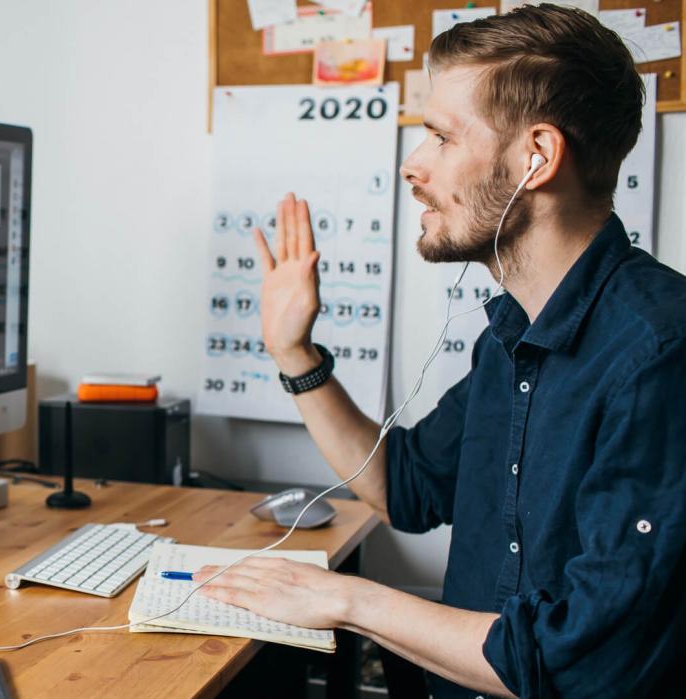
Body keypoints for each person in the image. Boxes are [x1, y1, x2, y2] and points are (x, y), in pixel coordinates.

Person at [194, 7, 686, 698]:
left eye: (440, 137)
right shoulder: (511, 334)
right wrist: (294, 351)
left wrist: (347, 600)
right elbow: (407, 487)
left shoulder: (659, 353)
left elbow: (574, 661)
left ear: (536, 158)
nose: (413, 164)